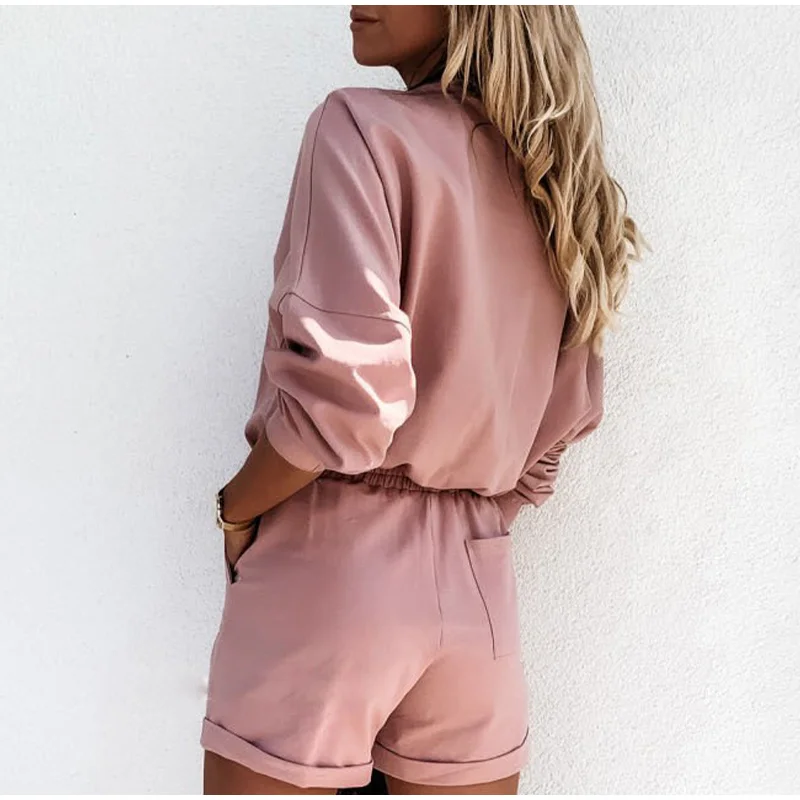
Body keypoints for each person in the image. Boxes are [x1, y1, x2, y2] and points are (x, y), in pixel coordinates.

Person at [201, 5, 646, 796]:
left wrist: (236, 509)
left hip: (332, 566)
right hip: (479, 591)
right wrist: (462, 509)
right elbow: (560, 423)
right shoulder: (555, 181)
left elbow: (346, 403)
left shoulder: (361, 130)